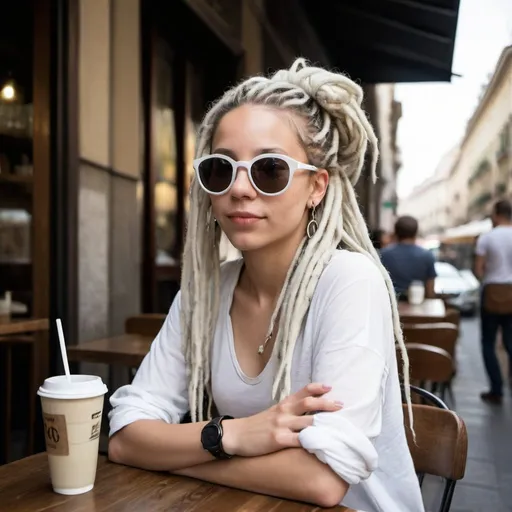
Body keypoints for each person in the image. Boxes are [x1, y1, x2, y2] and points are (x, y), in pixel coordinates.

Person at [108, 59, 423, 512]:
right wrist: (231, 434)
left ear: (317, 187)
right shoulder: (206, 291)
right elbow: (125, 437)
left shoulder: (350, 282)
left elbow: (321, 481)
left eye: (268, 169)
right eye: (220, 169)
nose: (239, 188)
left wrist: (173, 454)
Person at [475, 199, 512, 404]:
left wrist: (487, 279)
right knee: (510, 341)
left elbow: (478, 269)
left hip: (492, 291)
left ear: (497, 214)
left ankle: (496, 389)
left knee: (488, 342)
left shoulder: (487, 238)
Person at [381, 216, 437, 300]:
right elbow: (430, 290)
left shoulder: (383, 254)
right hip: (418, 306)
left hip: (391, 305)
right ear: (416, 232)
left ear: (396, 232)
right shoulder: (427, 255)